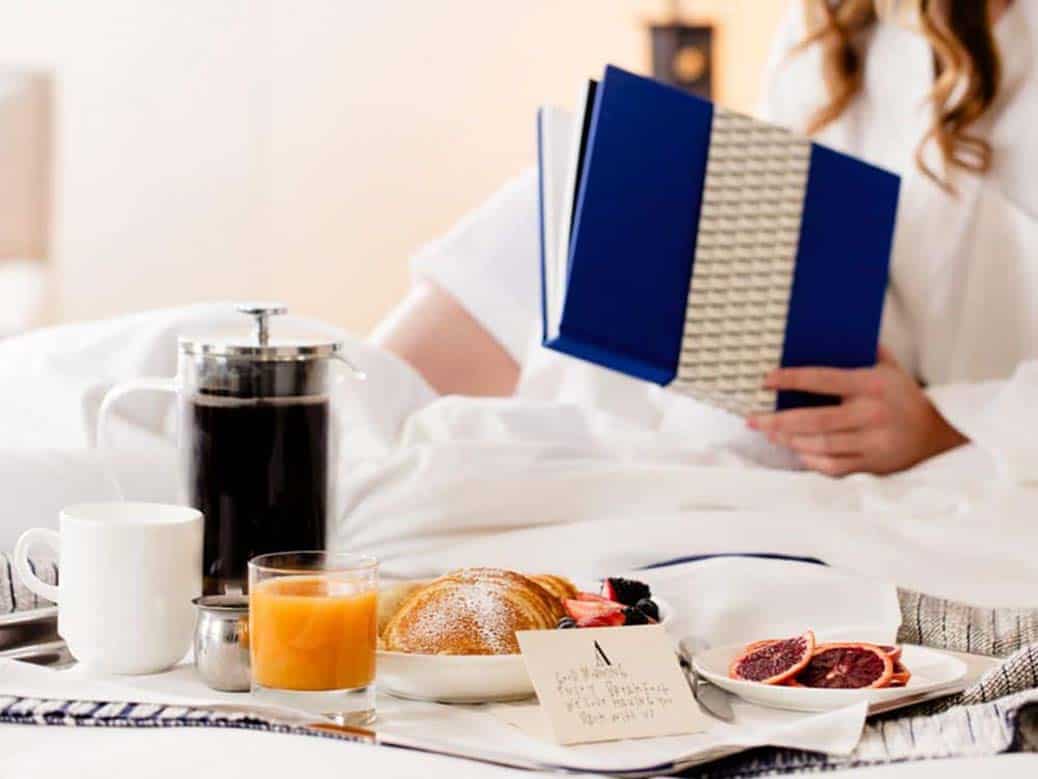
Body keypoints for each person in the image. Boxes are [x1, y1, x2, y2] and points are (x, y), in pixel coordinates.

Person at [375, 0, 1035, 479]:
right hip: (827, 363)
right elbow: (812, 223)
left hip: (935, 413)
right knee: (554, 203)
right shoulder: (837, 27)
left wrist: (939, 428)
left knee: (634, 423)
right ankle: (335, 420)